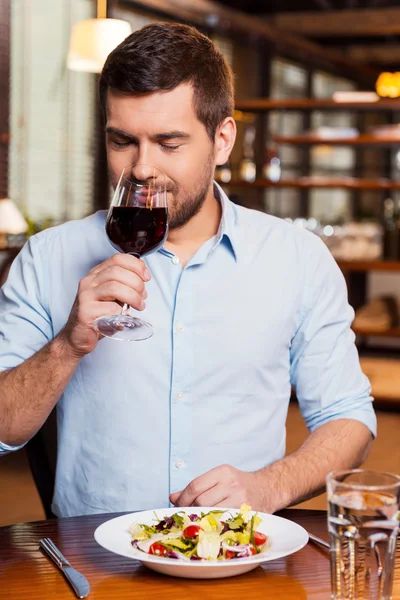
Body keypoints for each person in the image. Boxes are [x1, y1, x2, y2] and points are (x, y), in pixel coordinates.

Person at [0, 23, 375, 518]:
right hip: (96, 564)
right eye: (122, 141)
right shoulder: (48, 258)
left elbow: (348, 419)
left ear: (222, 141)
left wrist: (270, 487)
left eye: (168, 143)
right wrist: (68, 345)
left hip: (240, 554)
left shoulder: (298, 260)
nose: (140, 168)